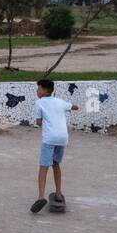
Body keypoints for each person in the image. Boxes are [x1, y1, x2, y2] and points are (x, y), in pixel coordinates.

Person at [31, 78, 79, 213]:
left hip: (49, 138)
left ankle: (41, 197)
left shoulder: (39, 103)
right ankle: (58, 193)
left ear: (44, 90)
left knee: (43, 167)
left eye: (38, 88)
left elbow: (39, 122)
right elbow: (74, 107)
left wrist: (43, 121)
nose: (37, 91)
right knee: (56, 164)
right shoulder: (60, 102)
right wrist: (71, 107)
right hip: (63, 138)